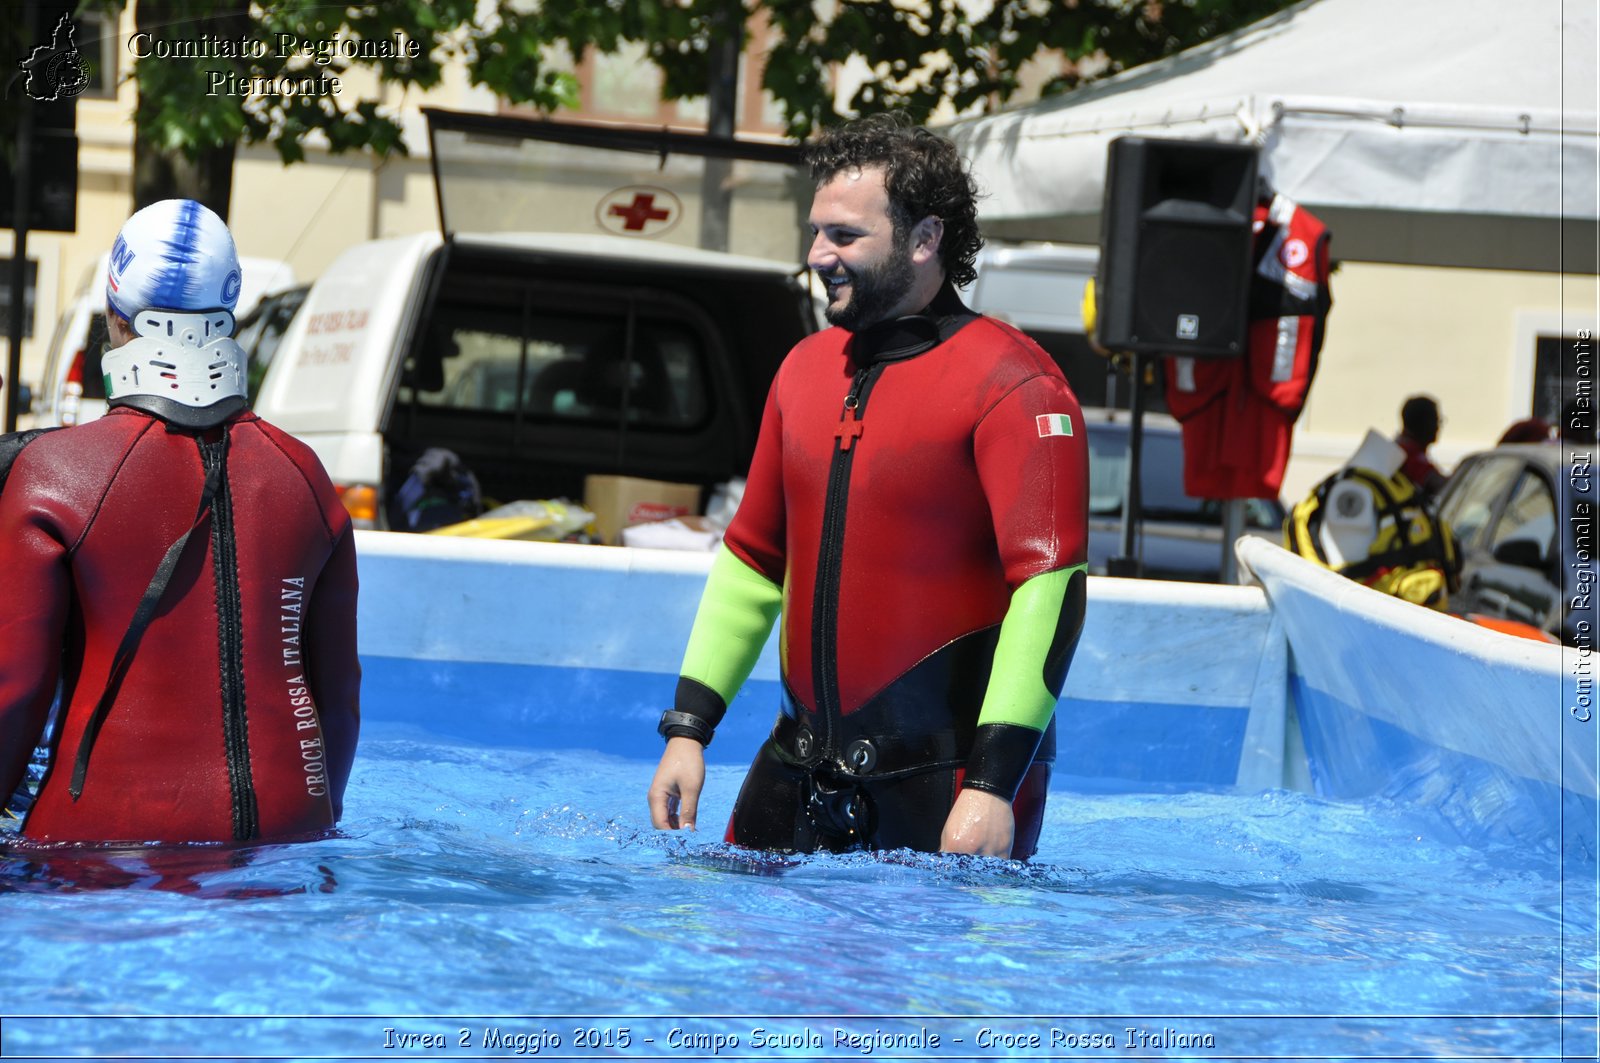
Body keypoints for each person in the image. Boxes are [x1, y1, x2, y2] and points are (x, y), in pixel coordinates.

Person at [646, 115, 1089, 860]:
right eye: (816, 232)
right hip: (799, 763)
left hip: (948, 783)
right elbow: (754, 558)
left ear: (923, 239)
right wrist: (688, 733)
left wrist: (990, 785)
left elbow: (1050, 589)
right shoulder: (804, 371)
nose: (818, 254)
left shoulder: (1016, 384)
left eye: (844, 236)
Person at [0, 199, 360, 845]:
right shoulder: (305, 476)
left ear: (115, 315)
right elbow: (338, 700)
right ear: (230, 317)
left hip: (96, 847)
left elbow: (15, 695)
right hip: (289, 838)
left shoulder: (51, 474)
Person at [1395, 394, 1447, 500]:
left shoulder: (1396, 448)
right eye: (1436, 421)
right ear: (1424, 423)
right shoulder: (1409, 456)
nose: (1438, 427)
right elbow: (1444, 487)